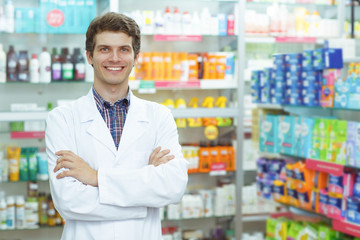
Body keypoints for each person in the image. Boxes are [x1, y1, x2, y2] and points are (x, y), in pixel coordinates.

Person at [45, 12, 188, 240]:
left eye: (124, 49)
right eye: (104, 49)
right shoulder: (62, 119)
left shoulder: (159, 116)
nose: (115, 58)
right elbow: (69, 201)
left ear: (135, 56)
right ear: (89, 56)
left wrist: (95, 177)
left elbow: (173, 186)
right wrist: (144, 194)